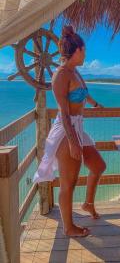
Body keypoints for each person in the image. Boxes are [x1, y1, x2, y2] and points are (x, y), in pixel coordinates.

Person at [33, 25, 106, 237]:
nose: (86, 55)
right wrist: (74, 142)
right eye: (85, 51)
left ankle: (88, 203)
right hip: (66, 131)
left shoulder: (75, 72)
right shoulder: (61, 75)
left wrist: (94, 103)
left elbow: (82, 93)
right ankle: (69, 227)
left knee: (98, 166)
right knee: (69, 181)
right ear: (78, 50)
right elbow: (64, 114)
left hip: (77, 127)